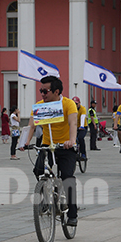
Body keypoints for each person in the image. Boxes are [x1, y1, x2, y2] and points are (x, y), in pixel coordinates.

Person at [21, 75, 78, 226]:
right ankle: (46, 198)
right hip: (48, 145)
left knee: (67, 178)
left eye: (45, 91)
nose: (42, 94)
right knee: (38, 170)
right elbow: (31, 126)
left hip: (65, 146)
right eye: (41, 91)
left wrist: (72, 140)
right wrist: (25, 142)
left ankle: (72, 214)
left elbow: (73, 123)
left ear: (56, 91)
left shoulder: (68, 104)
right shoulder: (40, 106)